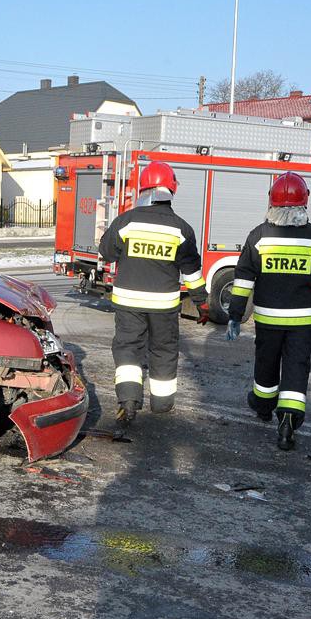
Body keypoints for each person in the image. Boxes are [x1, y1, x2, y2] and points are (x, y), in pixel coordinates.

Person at [225, 172, 311, 450]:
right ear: (304, 203)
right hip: (304, 321)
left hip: (268, 318)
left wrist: (235, 315)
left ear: (272, 203)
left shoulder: (259, 236)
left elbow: (243, 280)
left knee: (266, 363)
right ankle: (288, 424)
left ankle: (263, 406)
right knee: (296, 367)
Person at [99, 161, 209, 435]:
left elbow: (107, 253)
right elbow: (192, 272)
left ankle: (128, 401)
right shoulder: (182, 229)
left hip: (128, 303)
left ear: (144, 189)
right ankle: (161, 404)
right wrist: (202, 303)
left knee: (128, 350)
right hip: (163, 306)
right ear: (171, 190)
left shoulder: (125, 221)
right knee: (163, 351)